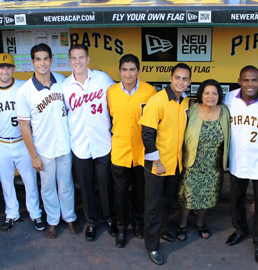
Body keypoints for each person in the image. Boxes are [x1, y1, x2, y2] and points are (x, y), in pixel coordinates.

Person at [17, 43, 79, 239]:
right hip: (43, 148)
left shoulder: (62, 81)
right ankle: (53, 220)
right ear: (32, 62)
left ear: (51, 60)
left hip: (64, 145)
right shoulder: (25, 90)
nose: (42, 63)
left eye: (45, 58)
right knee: (48, 186)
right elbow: (24, 126)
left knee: (66, 184)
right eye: (38, 59)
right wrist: (33, 155)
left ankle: (69, 217)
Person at [223, 65, 258, 264]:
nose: (250, 84)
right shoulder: (229, 98)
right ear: (239, 81)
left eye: (254, 80)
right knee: (236, 199)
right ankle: (240, 230)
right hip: (237, 159)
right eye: (246, 80)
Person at [0, 53, 43, 232]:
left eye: (8, 67)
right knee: (6, 181)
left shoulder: (24, 87)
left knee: (30, 181)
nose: (5, 70)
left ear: (13, 69)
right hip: (0, 143)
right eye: (1, 67)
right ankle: (11, 213)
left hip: (23, 142)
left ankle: (35, 213)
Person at [62, 44, 117, 242]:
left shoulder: (102, 79)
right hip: (79, 145)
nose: (78, 62)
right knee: (85, 188)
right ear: (69, 61)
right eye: (74, 58)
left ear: (88, 59)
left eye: (81, 57)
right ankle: (92, 223)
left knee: (105, 186)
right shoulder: (65, 86)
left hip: (102, 143)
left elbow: (117, 99)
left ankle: (110, 219)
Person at [139, 63, 191, 265]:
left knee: (166, 201)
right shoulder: (157, 100)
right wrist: (157, 162)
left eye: (185, 79)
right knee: (152, 206)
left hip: (175, 164)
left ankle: (161, 231)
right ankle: (152, 246)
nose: (180, 82)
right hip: (157, 165)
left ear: (189, 82)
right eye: (177, 77)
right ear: (170, 78)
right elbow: (147, 134)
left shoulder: (185, 101)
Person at [107, 54, 156, 248]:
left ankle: (138, 223)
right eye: (124, 69)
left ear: (139, 71)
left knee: (140, 192)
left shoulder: (149, 91)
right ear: (119, 71)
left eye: (132, 69)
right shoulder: (111, 91)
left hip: (141, 153)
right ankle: (121, 228)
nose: (128, 74)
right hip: (119, 151)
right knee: (119, 194)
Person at [177, 79, 230, 241]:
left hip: (214, 164)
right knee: (188, 196)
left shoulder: (225, 112)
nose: (210, 96)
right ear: (201, 94)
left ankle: (200, 222)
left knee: (208, 196)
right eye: (207, 93)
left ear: (219, 96)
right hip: (193, 162)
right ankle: (182, 224)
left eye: (214, 93)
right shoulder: (191, 109)